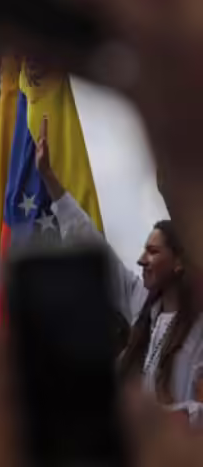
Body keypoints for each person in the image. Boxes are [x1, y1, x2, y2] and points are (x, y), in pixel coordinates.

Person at [38, 120, 203, 422]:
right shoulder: (143, 305)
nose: (141, 260)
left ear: (180, 262)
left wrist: (168, 419)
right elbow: (90, 244)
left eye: (153, 251)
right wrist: (49, 178)